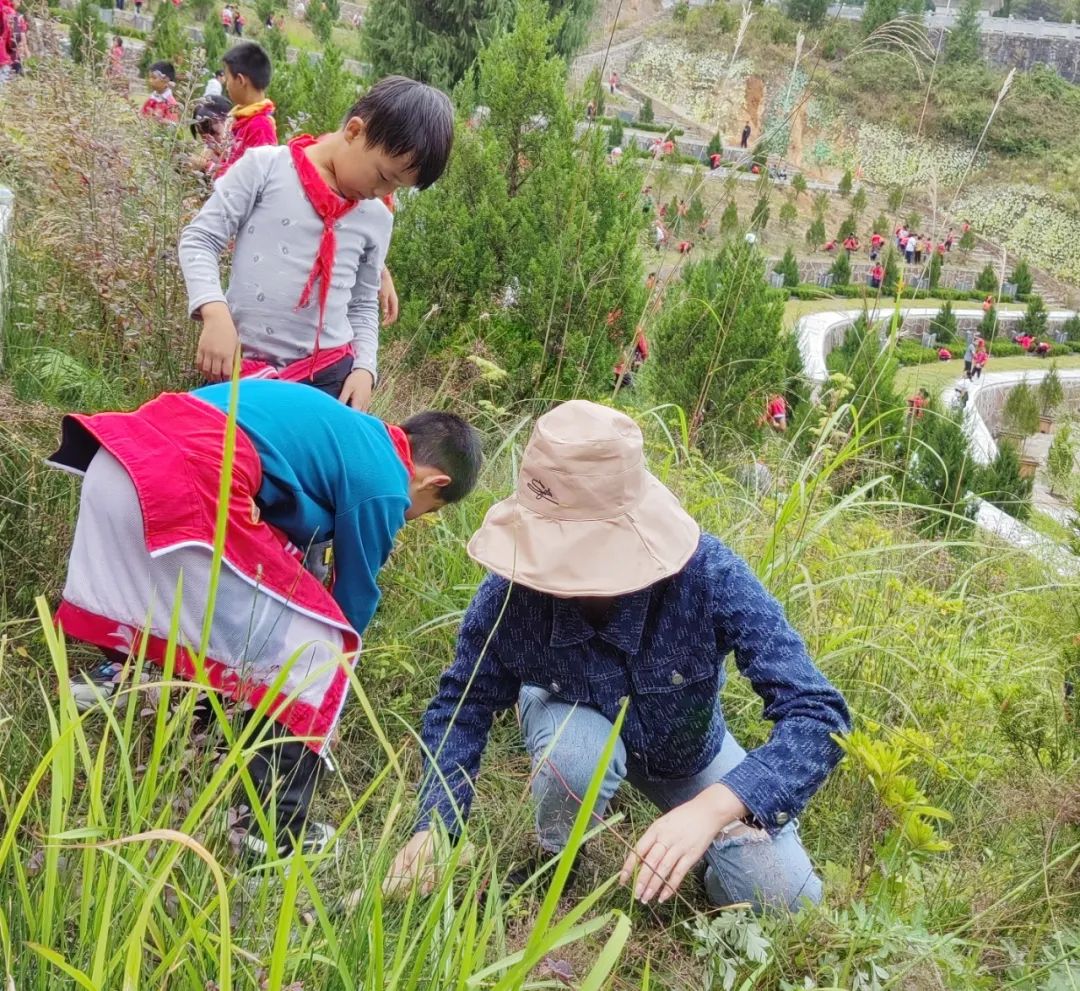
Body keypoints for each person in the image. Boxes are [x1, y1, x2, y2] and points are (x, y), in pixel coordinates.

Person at [387, 402, 850, 912]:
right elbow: (461, 707)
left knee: (786, 899)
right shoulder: (510, 596)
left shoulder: (707, 577)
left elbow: (818, 714)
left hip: (688, 753)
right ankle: (558, 855)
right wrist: (435, 826)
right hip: (572, 716)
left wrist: (713, 809)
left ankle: (705, 865)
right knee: (577, 755)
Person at [57, 379, 483, 858]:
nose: (413, 516)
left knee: (228, 613)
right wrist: (330, 697)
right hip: (187, 480)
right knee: (318, 648)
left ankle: (164, 714)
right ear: (434, 483)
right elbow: (354, 601)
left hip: (117, 461)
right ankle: (270, 837)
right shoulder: (387, 481)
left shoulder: (348, 435)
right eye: (426, 511)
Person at [179, 77, 454, 411]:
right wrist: (214, 312)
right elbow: (200, 239)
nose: (383, 193)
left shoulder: (376, 217)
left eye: (398, 186)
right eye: (383, 177)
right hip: (237, 364)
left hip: (325, 382)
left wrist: (365, 369)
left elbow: (363, 303)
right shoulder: (265, 169)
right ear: (354, 131)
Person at [214, 41, 277, 180]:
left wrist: (210, 167)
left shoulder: (260, 127)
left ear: (241, 80)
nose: (226, 85)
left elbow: (251, 180)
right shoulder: (242, 118)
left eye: (228, 78)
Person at [190, 95, 234, 175]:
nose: (208, 141)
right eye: (202, 136)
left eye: (215, 133)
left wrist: (207, 166)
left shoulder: (238, 147)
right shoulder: (209, 150)